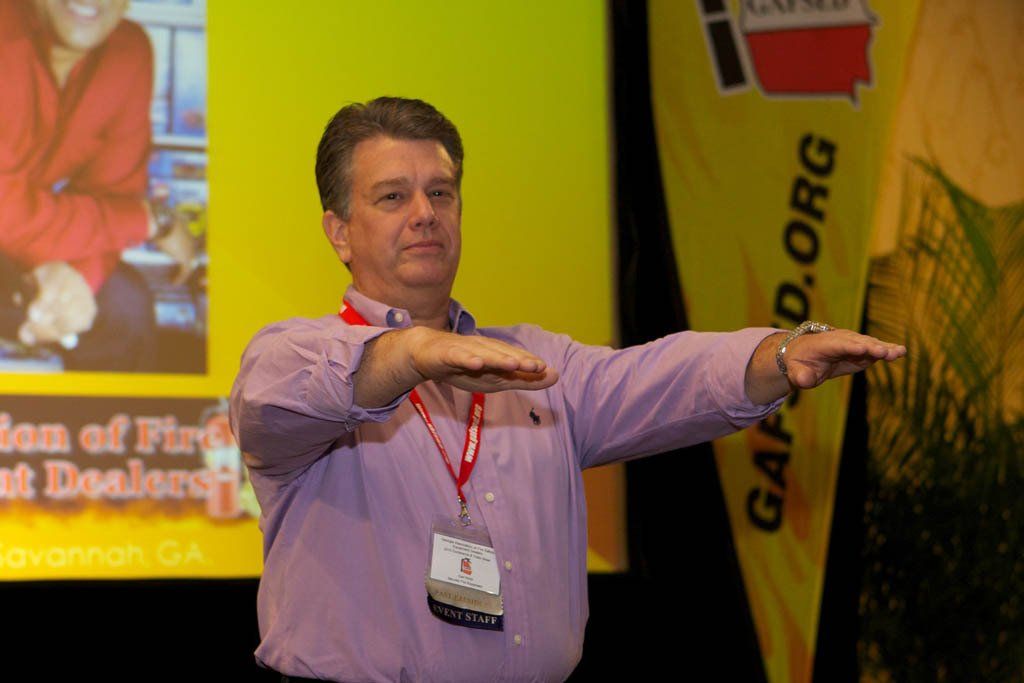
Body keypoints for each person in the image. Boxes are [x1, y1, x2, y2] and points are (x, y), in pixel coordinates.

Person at [229, 96, 905, 682]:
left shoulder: (529, 361)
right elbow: (270, 398)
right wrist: (411, 353)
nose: (424, 213)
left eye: (441, 191)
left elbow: (660, 376)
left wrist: (776, 352)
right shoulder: (297, 360)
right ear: (338, 230)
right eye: (392, 196)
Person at [0, 0, 196, 371]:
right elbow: (6, 213)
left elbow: (114, 190)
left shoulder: (127, 52)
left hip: (28, 238)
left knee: (124, 305)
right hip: (15, 232)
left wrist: (77, 279)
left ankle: (108, 427)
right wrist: (151, 221)